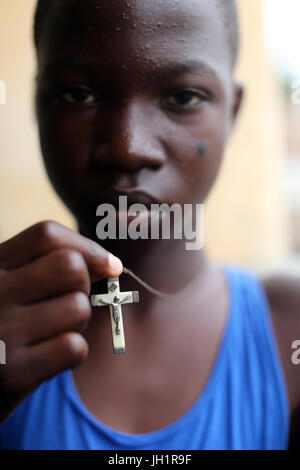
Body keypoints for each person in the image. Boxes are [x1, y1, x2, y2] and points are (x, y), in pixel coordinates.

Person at [0, 0, 298, 450]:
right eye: (78, 94)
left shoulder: (288, 328)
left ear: (233, 111)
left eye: (183, 97)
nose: (128, 148)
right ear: (37, 103)